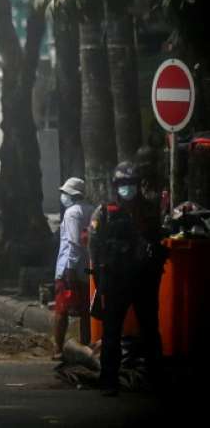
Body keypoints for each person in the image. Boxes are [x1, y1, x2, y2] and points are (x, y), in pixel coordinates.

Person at [88, 161, 166, 397]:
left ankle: (155, 379)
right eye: (123, 184)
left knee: (150, 330)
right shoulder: (104, 212)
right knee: (111, 332)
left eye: (131, 183)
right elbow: (94, 244)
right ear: (116, 185)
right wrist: (100, 278)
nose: (127, 188)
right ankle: (109, 381)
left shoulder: (151, 210)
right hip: (116, 281)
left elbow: (160, 239)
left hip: (144, 280)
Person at [52, 177, 94, 360]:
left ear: (72, 195)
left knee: (61, 311)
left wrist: (69, 268)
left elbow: (73, 243)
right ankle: (86, 347)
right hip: (86, 268)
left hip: (70, 269)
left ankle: (58, 349)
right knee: (86, 312)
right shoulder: (92, 210)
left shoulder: (71, 213)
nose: (62, 196)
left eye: (64, 193)